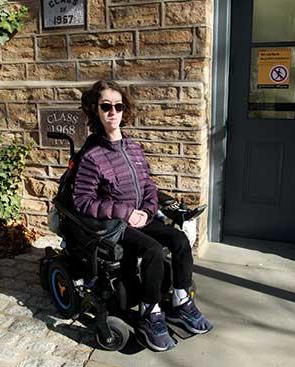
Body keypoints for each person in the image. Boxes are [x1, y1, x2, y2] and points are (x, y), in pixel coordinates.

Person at [72, 80, 213, 352]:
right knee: (152, 251)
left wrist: (147, 210)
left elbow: (148, 186)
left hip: (141, 216)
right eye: (106, 106)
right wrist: (126, 213)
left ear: (125, 110)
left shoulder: (134, 148)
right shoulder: (92, 157)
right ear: (96, 111)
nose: (113, 112)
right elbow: (83, 201)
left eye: (118, 106)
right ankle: (150, 313)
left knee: (179, 240)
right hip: (114, 225)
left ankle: (180, 303)